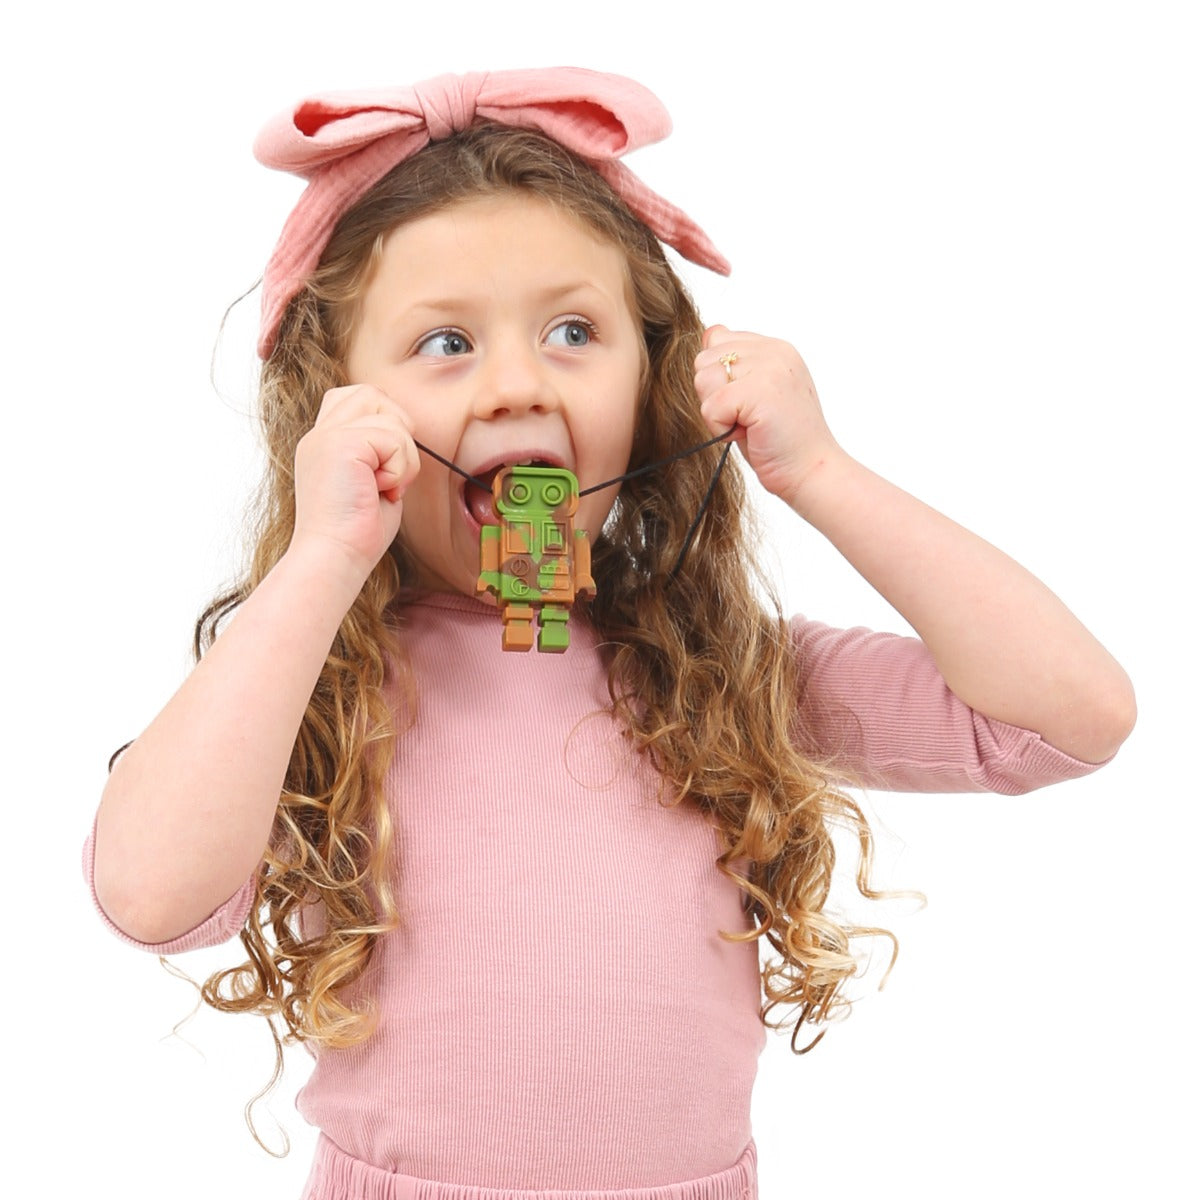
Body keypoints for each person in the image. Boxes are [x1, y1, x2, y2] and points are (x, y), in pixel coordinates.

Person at [82, 68, 1135, 1200]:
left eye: (573, 330)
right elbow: (149, 899)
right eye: (445, 344)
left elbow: (1069, 719)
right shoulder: (315, 686)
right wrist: (319, 562)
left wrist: (822, 473)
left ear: (656, 384)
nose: (517, 385)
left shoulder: (723, 673)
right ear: (342, 404)